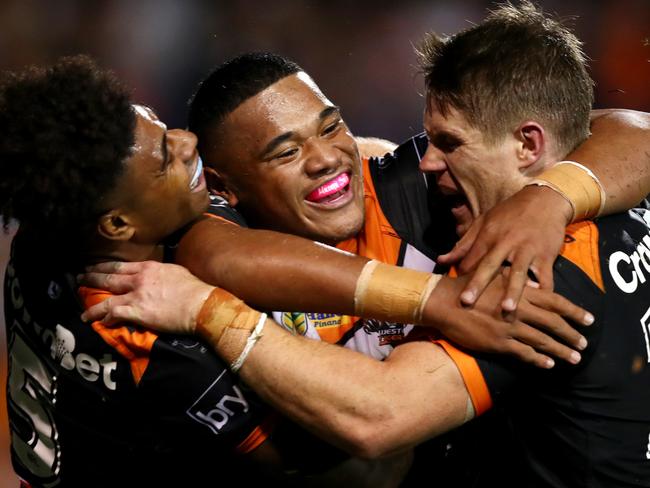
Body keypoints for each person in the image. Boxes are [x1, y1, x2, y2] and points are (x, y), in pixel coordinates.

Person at [84, 3, 650, 485]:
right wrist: (434, 298)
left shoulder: (424, 197)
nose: (328, 158)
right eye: (285, 152)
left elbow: (380, 418)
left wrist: (549, 196)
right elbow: (213, 252)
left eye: (332, 127)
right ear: (228, 190)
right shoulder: (204, 257)